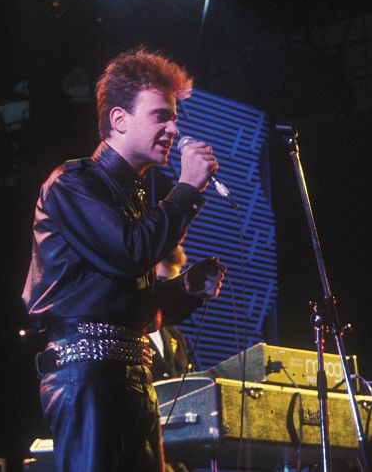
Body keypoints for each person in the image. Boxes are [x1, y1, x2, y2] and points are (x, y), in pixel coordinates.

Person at [22, 48, 225, 472]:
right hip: (86, 377)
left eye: (174, 118)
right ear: (119, 120)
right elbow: (128, 253)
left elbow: (127, 299)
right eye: (160, 117)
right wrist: (186, 187)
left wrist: (185, 289)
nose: (173, 128)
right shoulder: (73, 184)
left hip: (132, 374)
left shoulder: (133, 198)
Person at [150, 245, 192, 381]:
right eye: (162, 281)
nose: (169, 290)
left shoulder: (177, 337)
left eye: (174, 283)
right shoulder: (123, 332)